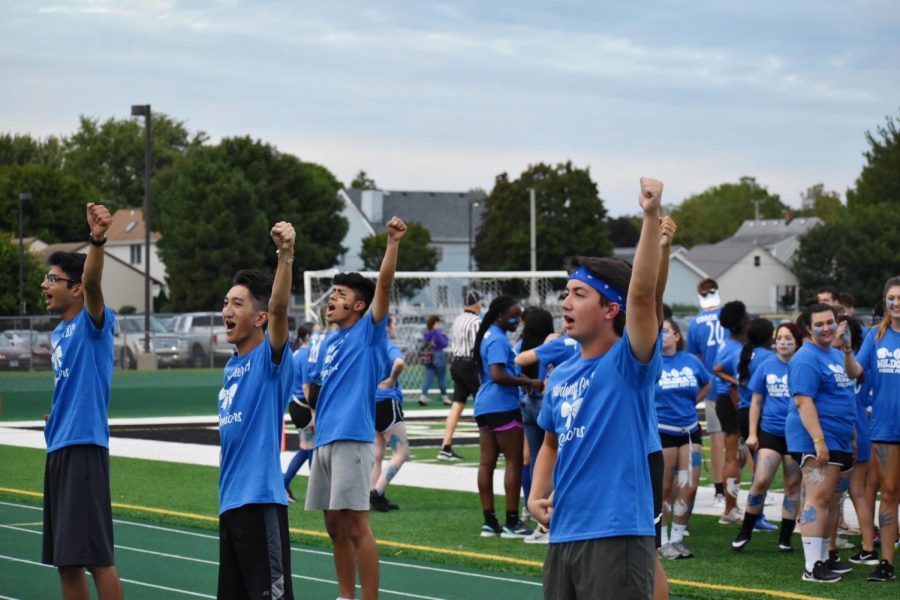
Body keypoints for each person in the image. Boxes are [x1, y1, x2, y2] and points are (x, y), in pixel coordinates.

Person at [529, 178, 665, 599]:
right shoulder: (562, 374)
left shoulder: (628, 364)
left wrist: (649, 217)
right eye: (566, 293)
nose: (565, 304)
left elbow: (642, 295)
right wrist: (536, 495)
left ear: (611, 308)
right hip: (564, 532)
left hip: (616, 532)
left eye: (579, 294)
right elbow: (550, 442)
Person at [304, 216, 406, 600]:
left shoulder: (368, 332)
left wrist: (392, 244)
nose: (332, 298)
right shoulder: (330, 343)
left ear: (359, 305)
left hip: (352, 439)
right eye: (332, 293)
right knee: (333, 524)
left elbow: (383, 284)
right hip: (326, 439)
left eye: (341, 294)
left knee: (357, 524)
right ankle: (345, 595)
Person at [41, 203, 123, 600]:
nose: (45, 285)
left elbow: (93, 283)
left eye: (52, 278)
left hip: (84, 446)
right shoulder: (58, 334)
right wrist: (56, 414)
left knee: (97, 557)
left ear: (75, 288)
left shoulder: (94, 321)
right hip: (58, 445)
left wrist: (97, 239)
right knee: (66, 558)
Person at [216, 222, 296, 600]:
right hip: (230, 505)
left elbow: (280, 307)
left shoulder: (270, 360)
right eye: (225, 302)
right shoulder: (231, 367)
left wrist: (285, 256)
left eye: (237, 303)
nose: (226, 310)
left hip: (261, 501)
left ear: (260, 318)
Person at [786, 303, 860, 583]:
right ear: (808, 327)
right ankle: (812, 567)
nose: (827, 327)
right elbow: (803, 401)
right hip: (816, 437)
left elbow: (848, 387)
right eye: (820, 324)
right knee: (817, 498)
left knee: (828, 499)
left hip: (837, 436)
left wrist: (849, 434)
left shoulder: (832, 353)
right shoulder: (806, 357)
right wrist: (818, 440)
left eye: (830, 322)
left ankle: (823, 559)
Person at [732, 323, 804, 553]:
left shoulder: (803, 365)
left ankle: (785, 538)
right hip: (770, 431)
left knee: (792, 486)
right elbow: (755, 401)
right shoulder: (766, 365)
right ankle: (745, 531)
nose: (783, 342)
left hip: (796, 434)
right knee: (761, 479)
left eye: (788, 338)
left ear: (797, 341)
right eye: (779, 338)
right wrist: (752, 433)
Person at [474, 295, 542, 538]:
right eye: (514, 315)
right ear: (500, 315)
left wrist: (521, 378)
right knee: (513, 461)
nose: (518, 319)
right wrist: (530, 381)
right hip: (502, 404)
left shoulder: (489, 335)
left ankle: (489, 522)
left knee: (486, 463)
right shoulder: (498, 340)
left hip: (484, 405)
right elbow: (498, 374)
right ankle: (512, 522)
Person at [848, 276, 900, 581]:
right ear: (885, 301)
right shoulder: (875, 337)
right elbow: (856, 370)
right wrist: (845, 352)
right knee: (889, 492)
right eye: (892, 297)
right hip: (885, 427)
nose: (897, 302)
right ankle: (886, 563)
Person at [655, 317, 712, 561]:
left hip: (689, 431)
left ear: (678, 336)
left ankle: (678, 539)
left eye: (667, 331)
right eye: (659, 332)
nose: (663, 335)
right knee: (665, 489)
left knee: (689, 487)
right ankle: (663, 540)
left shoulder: (691, 361)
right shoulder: (651, 362)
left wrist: (691, 402)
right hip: (661, 430)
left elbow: (708, 383)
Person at [686, 278, 728, 508]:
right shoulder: (728, 316)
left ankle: (720, 490)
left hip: (712, 384)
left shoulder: (695, 323)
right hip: (733, 385)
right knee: (740, 439)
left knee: (717, 438)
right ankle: (730, 488)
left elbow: (696, 357)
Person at [712, 301, 751, 524]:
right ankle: (729, 509)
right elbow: (729, 381)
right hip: (730, 401)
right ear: (744, 324)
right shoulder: (735, 349)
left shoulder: (730, 344)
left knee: (737, 457)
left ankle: (731, 505)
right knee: (733, 457)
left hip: (728, 401)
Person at [437, 291, 484, 461]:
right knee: (483, 403)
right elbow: (479, 347)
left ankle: (445, 446)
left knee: (457, 405)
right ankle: (490, 444)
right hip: (470, 365)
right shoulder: (476, 321)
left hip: (456, 363)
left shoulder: (457, 320)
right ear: (477, 304)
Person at [371, 314, 410, 512]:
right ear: (387, 326)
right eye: (394, 323)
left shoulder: (369, 344)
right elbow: (400, 363)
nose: (395, 327)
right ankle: (377, 492)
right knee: (402, 451)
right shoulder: (387, 343)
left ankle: (372, 492)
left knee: (378, 450)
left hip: (371, 401)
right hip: (386, 400)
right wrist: (392, 378)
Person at [284, 322, 316, 502]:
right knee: (312, 448)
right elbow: (306, 386)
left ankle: (284, 483)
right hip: (303, 407)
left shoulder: (296, 353)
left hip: (296, 405)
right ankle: (316, 491)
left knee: (305, 448)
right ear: (308, 337)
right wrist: (314, 411)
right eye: (317, 333)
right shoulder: (305, 355)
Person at [418, 315, 450, 405]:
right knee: (441, 378)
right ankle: (445, 397)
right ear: (435, 323)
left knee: (428, 378)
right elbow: (444, 343)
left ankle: (423, 396)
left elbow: (425, 341)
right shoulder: (436, 332)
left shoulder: (426, 333)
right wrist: (442, 335)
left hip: (429, 356)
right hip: (438, 355)